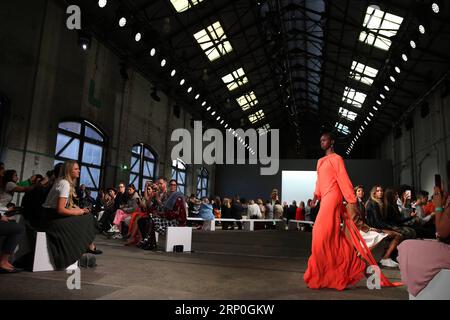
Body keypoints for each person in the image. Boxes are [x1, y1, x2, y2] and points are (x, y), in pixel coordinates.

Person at [303, 131, 399, 290]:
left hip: (333, 198)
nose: (322, 142)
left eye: (324, 139)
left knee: (320, 234)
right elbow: (319, 182)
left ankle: (327, 272)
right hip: (324, 198)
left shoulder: (337, 159)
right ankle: (339, 270)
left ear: (332, 142)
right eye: (320, 140)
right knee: (329, 238)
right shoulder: (320, 161)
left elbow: (343, 178)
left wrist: (352, 200)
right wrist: (315, 197)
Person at [41, 160, 101, 270]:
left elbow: (62, 205)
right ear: (69, 170)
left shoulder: (60, 181)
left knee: (85, 217)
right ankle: (82, 249)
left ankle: (85, 247)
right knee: (88, 219)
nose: (79, 171)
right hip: (53, 218)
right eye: (76, 169)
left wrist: (78, 210)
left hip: (48, 215)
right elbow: (60, 209)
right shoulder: (65, 184)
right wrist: (78, 212)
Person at [397, 186, 450, 297]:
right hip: (413, 226)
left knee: (407, 246)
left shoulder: (420, 207)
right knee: (409, 242)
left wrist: (439, 207)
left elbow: (441, 232)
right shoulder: (415, 206)